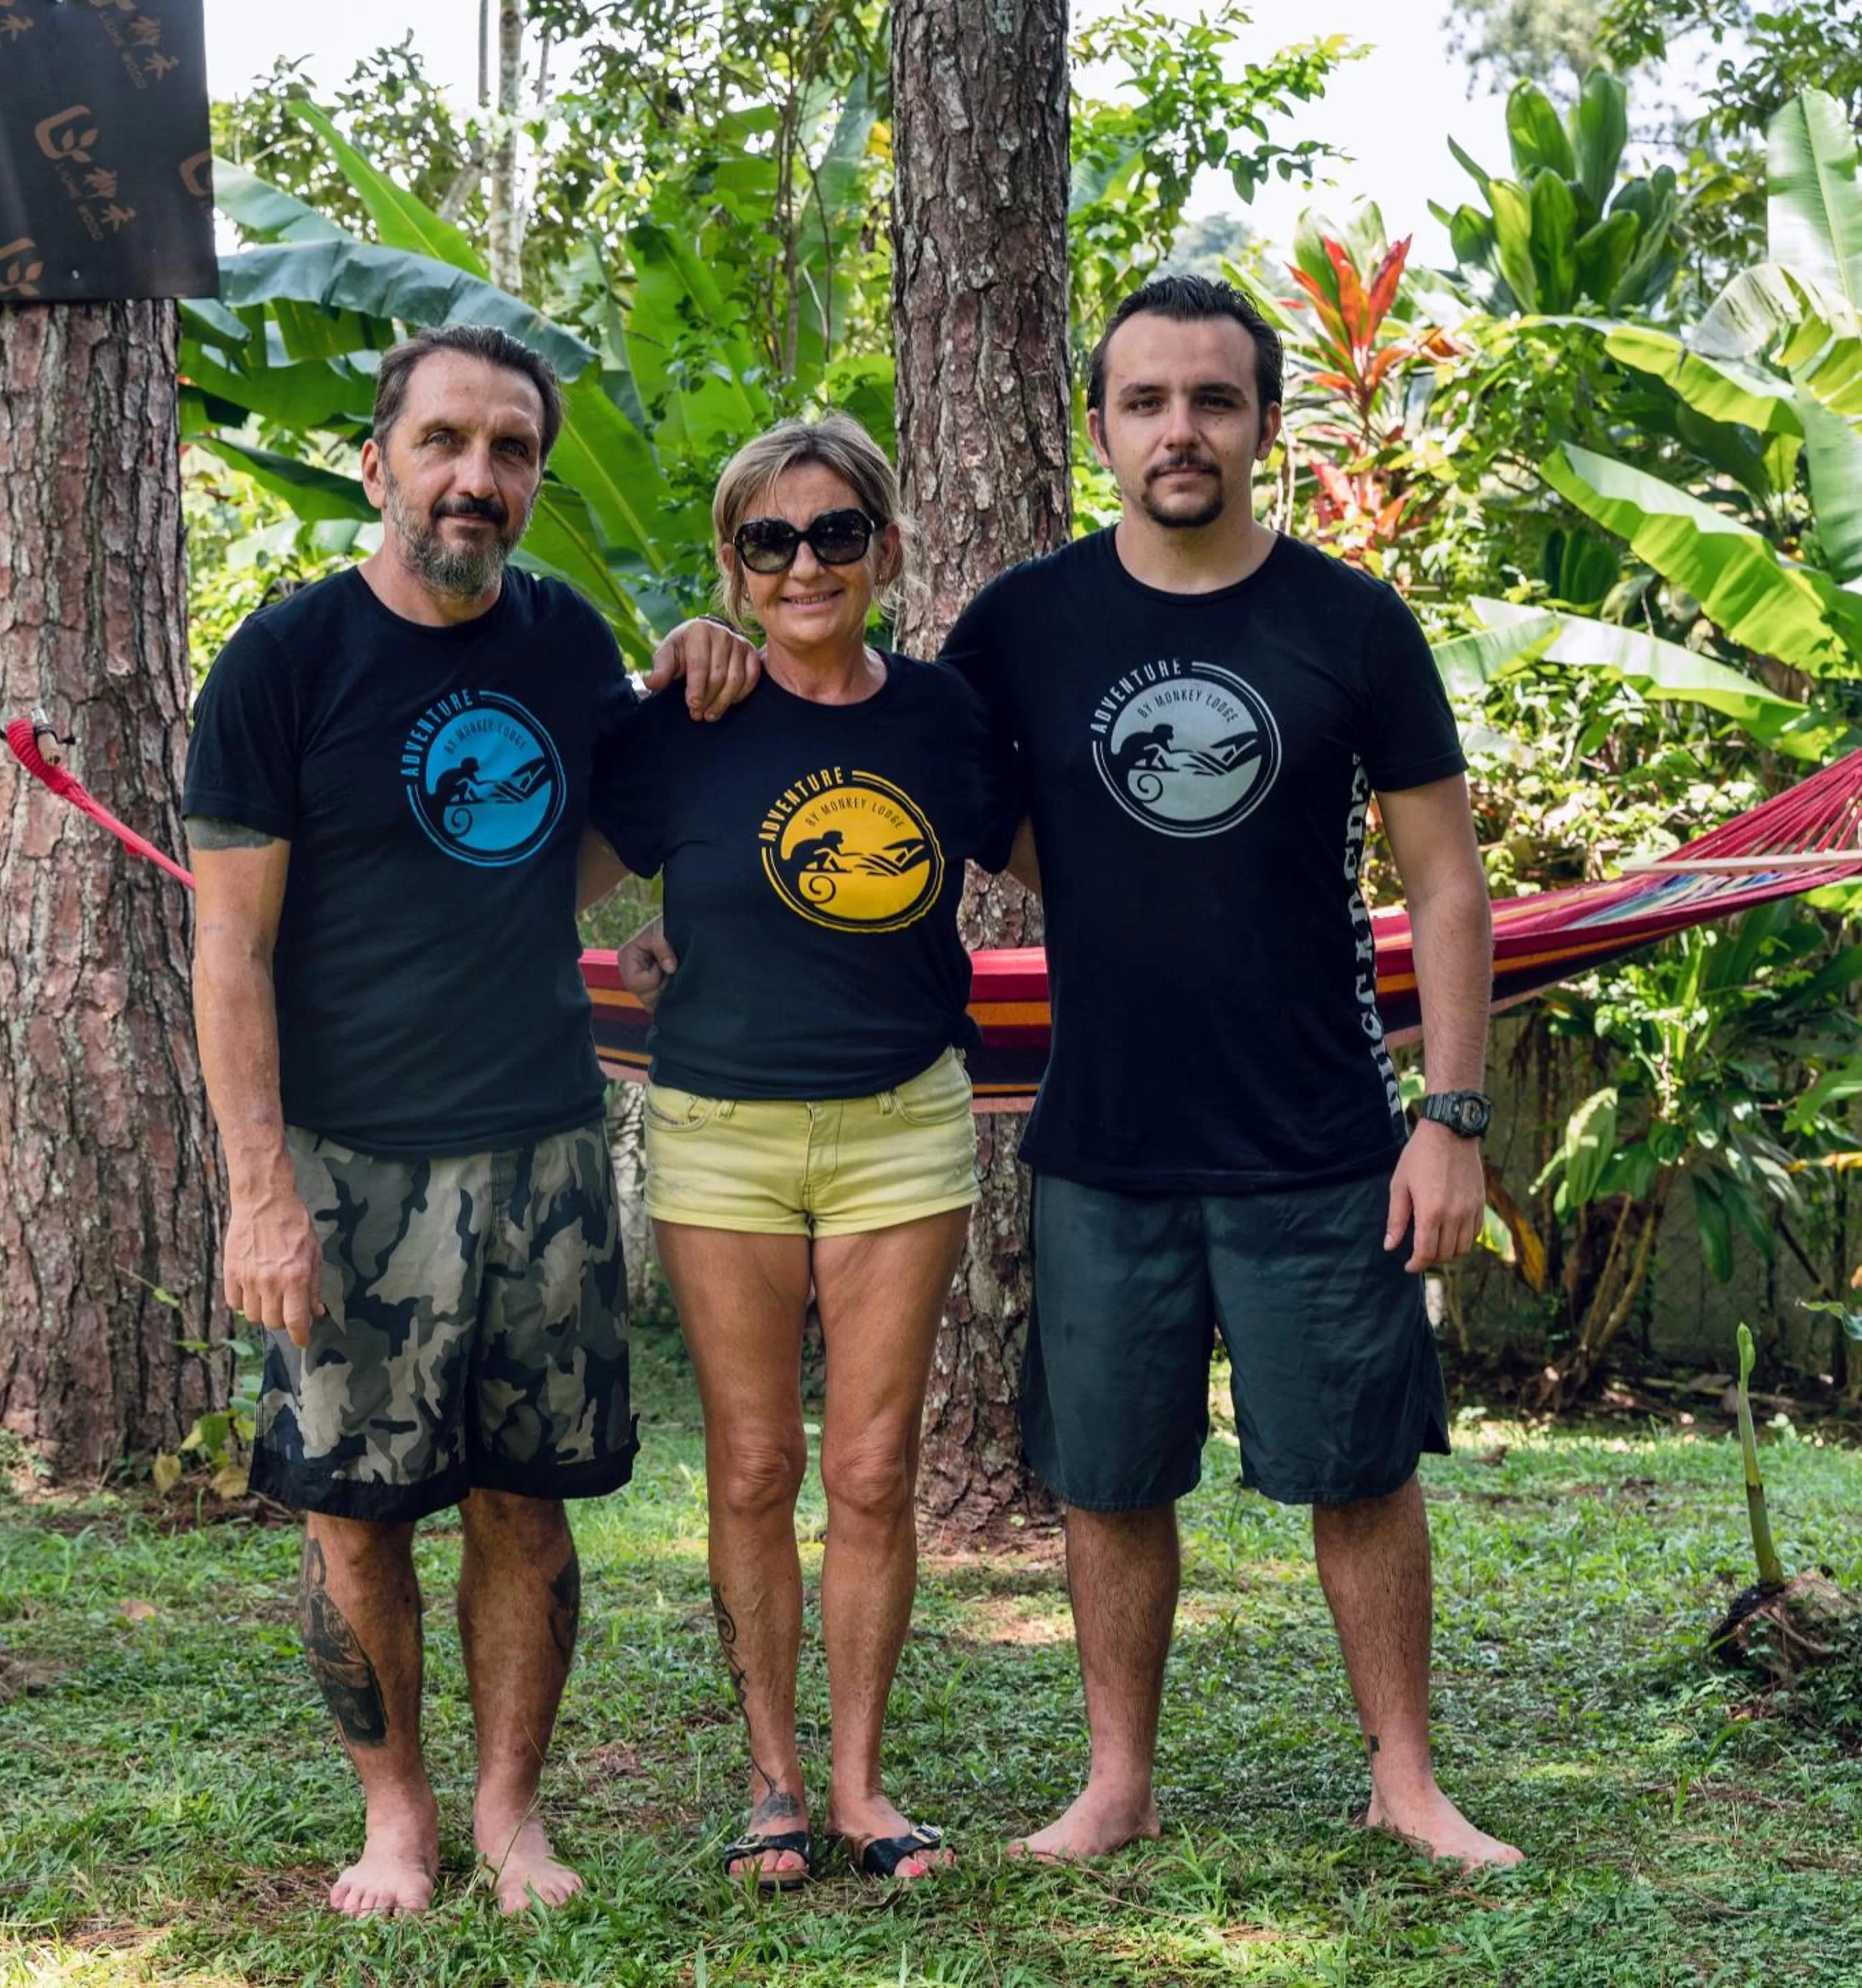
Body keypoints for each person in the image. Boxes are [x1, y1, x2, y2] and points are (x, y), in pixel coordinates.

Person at [650, 277, 1519, 1871]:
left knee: (1362, 1467)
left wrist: (1448, 1116)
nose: (1179, 429)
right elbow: (868, 764)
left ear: (1264, 419)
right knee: (1112, 1479)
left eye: (1213, 399)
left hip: (1323, 1123)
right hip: (1103, 1132)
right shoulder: (1025, 628)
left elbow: (1447, 884)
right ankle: (1118, 1780)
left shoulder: (1350, 622)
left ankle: (1406, 1775)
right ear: (1102, 425)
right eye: (1145, 401)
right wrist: (709, 654)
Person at [184, 324, 759, 1919]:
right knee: (355, 1512)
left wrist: (704, 652)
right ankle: (397, 1821)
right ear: (378, 462)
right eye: (443, 441)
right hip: (348, 1162)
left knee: (529, 1494)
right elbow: (227, 944)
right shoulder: (286, 662)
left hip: (546, 1147)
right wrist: (258, 1189)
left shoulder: (567, 639)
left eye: (509, 449)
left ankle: (511, 1814)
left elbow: (586, 841)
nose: (476, 476)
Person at [591, 414, 1016, 1887]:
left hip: (904, 1122)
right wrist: (645, 942)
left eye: (837, 531)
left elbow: (1074, 861)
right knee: (759, 1463)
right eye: (770, 540)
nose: (805, 562)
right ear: (735, 564)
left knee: (880, 1467)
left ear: (885, 549)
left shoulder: (950, 718)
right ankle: (770, 1778)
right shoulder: (683, 721)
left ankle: (860, 1784)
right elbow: (561, 877)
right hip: (719, 1130)